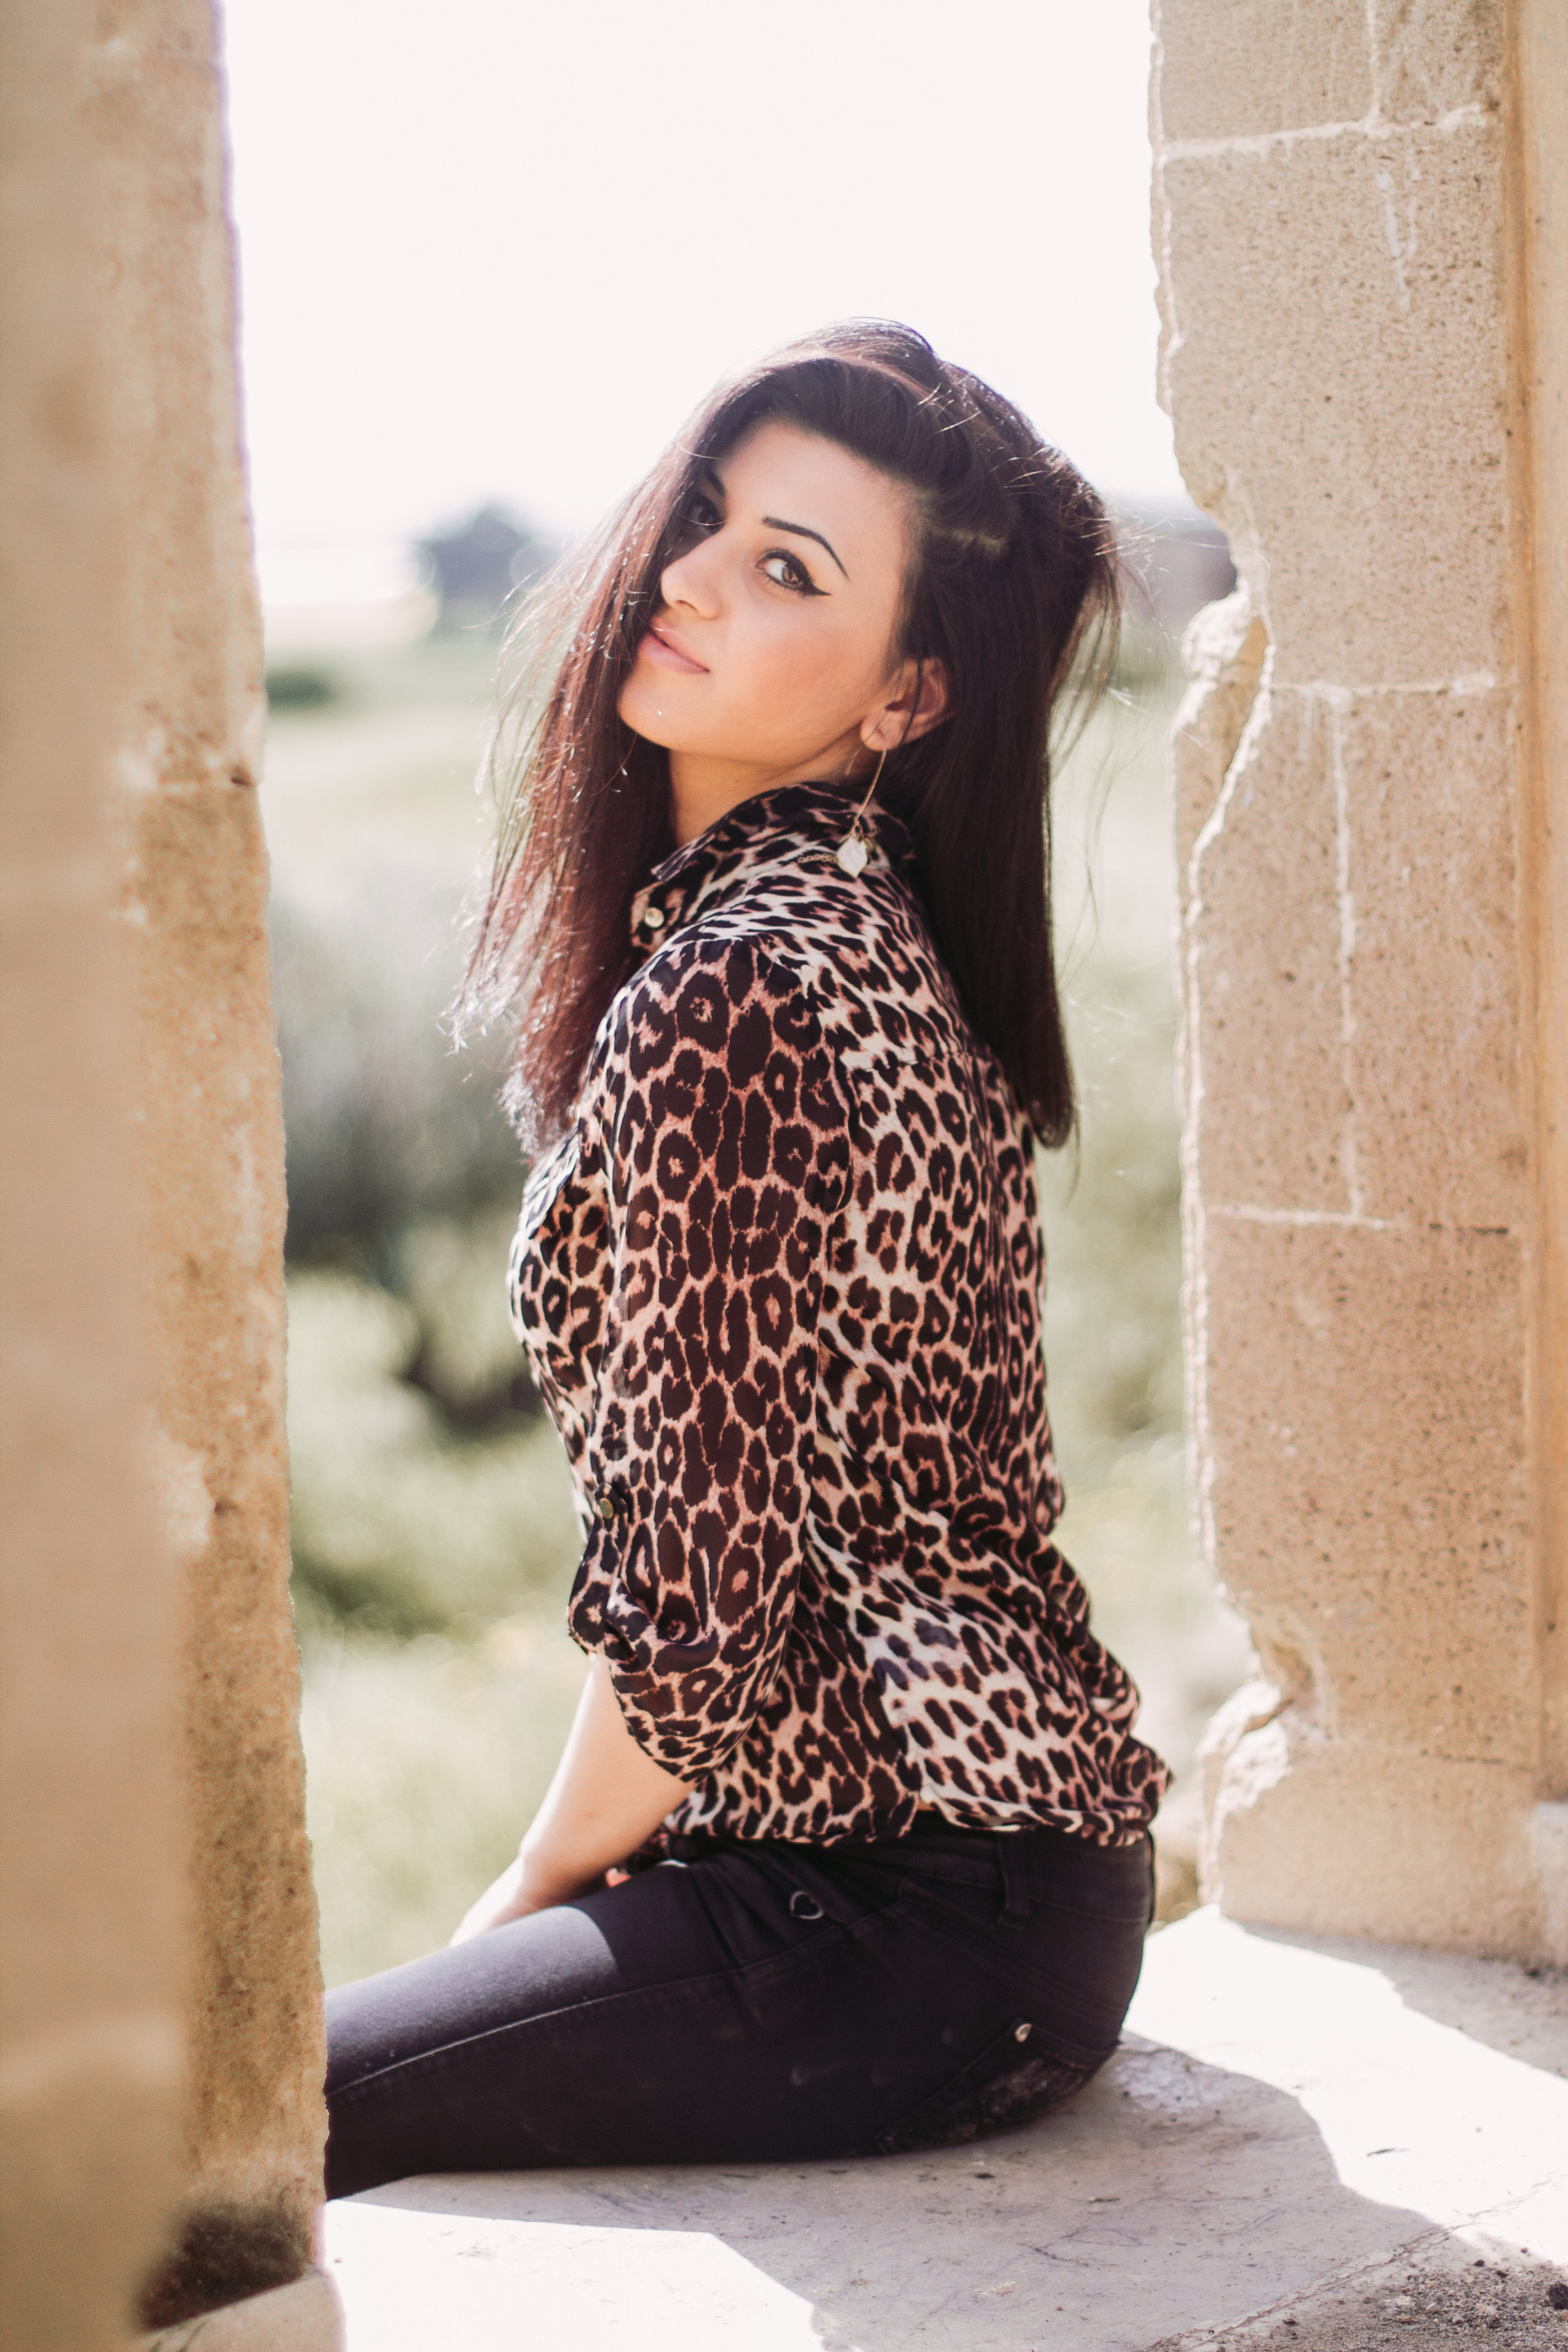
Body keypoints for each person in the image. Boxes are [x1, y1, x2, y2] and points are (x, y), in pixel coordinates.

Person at [323, 321, 1168, 2198]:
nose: (691, 577)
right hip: (997, 1892)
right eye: (705, 515)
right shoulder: (851, 936)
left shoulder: (742, 988)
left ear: (910, 697)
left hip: (908, 1910)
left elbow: (699, 1597)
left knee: (218, 2143)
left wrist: (527, 1889)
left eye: (788, 567)